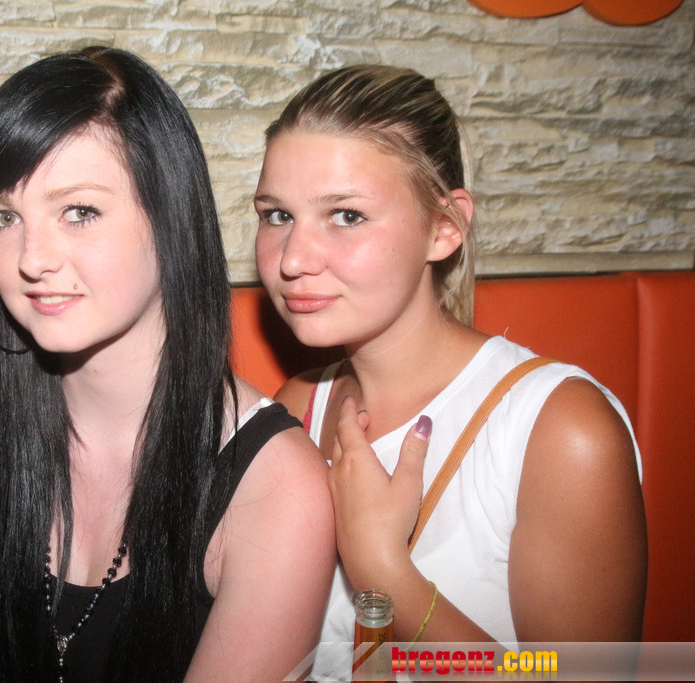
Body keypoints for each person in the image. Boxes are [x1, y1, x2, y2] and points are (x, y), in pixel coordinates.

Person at [0, 47, 335, 682]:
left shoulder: (275, 489)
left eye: (79, 212)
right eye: (3, 218)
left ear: (171, 217)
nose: (31, 258)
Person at [253, 64, 647, 678]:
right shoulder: (299, 404)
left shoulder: (562, 431)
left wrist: (385, 573)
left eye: (347, 215)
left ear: (444, 227)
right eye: (278, 215)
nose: (294, 259)